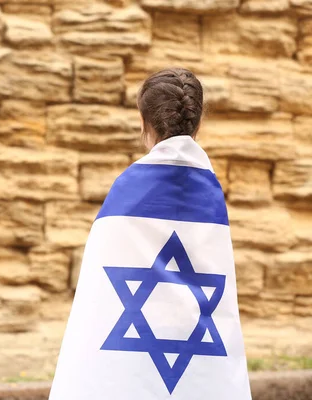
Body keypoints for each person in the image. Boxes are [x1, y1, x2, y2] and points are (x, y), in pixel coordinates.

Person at [49, 68, 251, 400]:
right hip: (191, 345)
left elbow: (100, 297)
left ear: (144, 124)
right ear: (197, 125)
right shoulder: (210, 194)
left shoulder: (127, 191)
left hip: (132, 356)